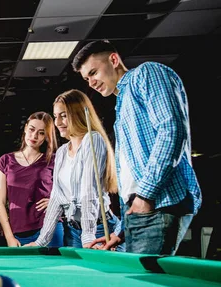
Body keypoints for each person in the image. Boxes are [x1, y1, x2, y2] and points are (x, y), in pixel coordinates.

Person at [73, 40, 202, 255]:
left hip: (159, 203)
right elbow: (132, 174)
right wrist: (121, 229)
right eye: (87, 79)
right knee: (134, 283)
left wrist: (145, 196)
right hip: (140, 208)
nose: (92, 82)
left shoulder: (146, 73)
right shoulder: (122, 104)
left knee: (144, 284)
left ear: (113, 60)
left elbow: (171, 130)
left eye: (94, 72)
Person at [24, 89, 121, 249]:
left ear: (78, 114)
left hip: (98, 230)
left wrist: (88, 237)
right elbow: (56, 198)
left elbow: (89, 191)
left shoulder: (93, 139)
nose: (57, 122)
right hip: (73, 231)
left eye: (63, 115)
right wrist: (41, 241)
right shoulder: (62, 152)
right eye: (56, 116)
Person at [0, 111, 64, 247]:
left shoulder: (54, 160)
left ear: (46, 137)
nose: (34, 136)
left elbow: (69, 191)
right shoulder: (5, 161)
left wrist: (56, 201)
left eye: (41, 133)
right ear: (25, 128)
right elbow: (0, 204)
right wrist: (9, 237)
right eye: (32, 129)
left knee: (53, 268)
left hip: (49, 227)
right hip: (17, 232)